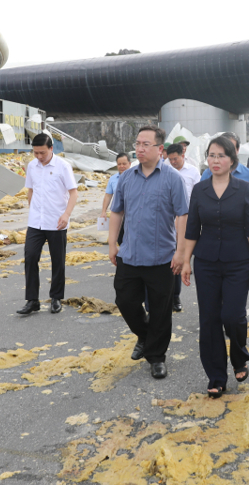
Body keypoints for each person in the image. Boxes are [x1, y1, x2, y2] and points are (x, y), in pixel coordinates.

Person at [180, 135, 249, 397]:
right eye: (211, 155)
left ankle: (238, 357)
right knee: (208, 320)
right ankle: (216, 376)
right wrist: (186, 260)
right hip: (206, 263)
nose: (215, 161)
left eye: (221, 156)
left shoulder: (243, 188)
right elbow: (192, 228)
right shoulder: (199, 189)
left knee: (232, 315)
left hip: (238, 262)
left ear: (232, 160)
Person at [108, 126, 189, 380]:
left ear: (160, 149)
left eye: (146, 144)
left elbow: (183, 215)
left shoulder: (172, 178)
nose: (140, 149)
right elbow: (117, 211)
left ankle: (156, 357)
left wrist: (180, 251)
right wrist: (112, 243)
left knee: (160, 309)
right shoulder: (126, 177)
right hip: (129, 254)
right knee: (125, 300)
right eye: (137, 143)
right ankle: (144, 335)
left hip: (161, 257)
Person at [17, 133, 79, 316]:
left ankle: (56, 298)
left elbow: (74, 193)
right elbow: (30, 190)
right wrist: (33, 210)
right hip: (36, 222)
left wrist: (66, 215)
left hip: (57, 222)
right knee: (30, 257)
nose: (39, 157)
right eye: (35, 153)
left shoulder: (63, 166)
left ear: (51, 149)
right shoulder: (32, 166)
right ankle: (32, 300)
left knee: (57, 261)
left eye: (42, 153)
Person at [166, 142, 201, 311]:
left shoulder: (193, 172)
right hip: (167, 220)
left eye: (175, 159)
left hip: (186, 219)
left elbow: (198, 195)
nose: (173, 162)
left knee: (178, 258)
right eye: (170, 159)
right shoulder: (164, 172)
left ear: (182, 156)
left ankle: (175, 297)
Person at [100, 153, 131, 219]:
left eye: (124, 164)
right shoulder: (112, 179)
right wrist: (103, 211)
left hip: (132, 213)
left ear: (130, 164)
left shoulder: (136, 177)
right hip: (118, 213)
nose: (121, 166)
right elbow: (108, 196)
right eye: (119, 164)